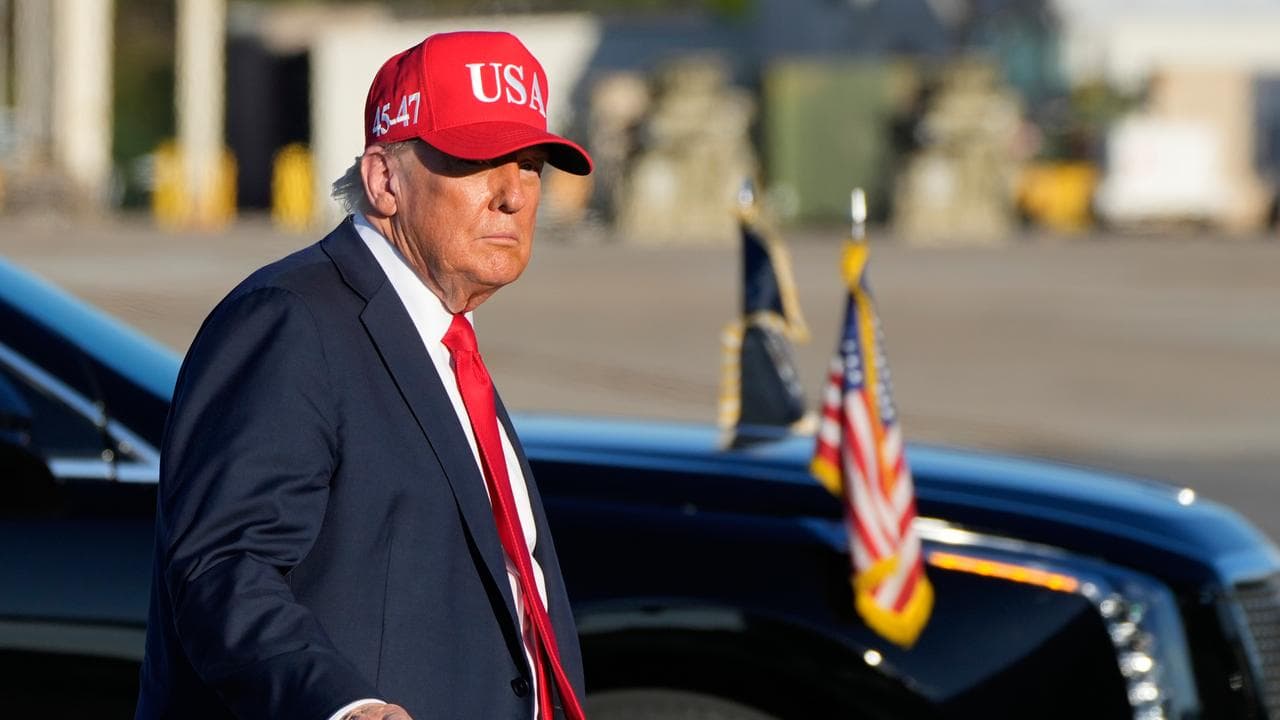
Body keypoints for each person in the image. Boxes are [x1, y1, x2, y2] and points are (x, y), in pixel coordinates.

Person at [135, 31, 593, 720]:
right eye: (478, 162)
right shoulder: (291, 320)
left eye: (529, 166)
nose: (512, 195)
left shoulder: (441, 340)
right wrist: (345, 707)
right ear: (384, 180)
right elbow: (223, 566)